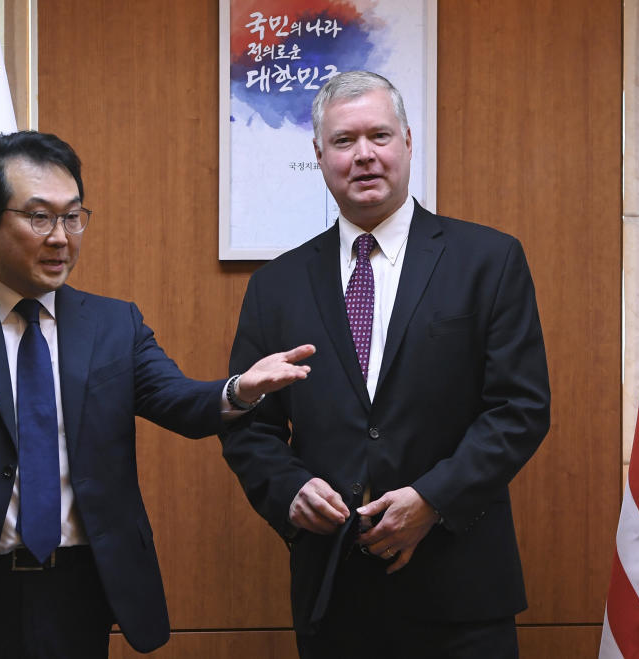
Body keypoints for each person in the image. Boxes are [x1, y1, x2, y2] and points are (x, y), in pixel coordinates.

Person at [0, 130, 314, 658]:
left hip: (77, 586)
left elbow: (176, 400)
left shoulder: (114, 323)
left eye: (73, 217)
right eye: (39, 217)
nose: (61, 237)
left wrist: (239, 390)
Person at [220, 71, 550, 657]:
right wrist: (289, 490)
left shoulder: (488, 260)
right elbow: (251, 426)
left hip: (462, 591)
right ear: (319, 156)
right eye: (344, 141)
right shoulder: (277, 286)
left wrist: (432, 500)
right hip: (334, 591)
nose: (364, 155)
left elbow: (519, 408)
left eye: (380, 135)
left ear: (408, 143)